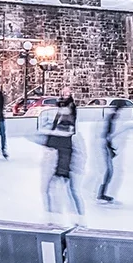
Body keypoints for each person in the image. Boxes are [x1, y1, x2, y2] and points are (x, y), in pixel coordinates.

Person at [43, 87, 83, 221]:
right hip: (60, 162)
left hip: (64, 165)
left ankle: (75, 219)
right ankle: (66, 218)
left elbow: (67, 147)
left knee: (68, 192)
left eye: (67, 93)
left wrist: (63, 170)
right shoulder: (61, 108)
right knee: (59, 191)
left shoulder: (69, 110)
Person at [98, 99, 125, 203]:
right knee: (109, 172)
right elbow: (107, 134)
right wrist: (110, 147)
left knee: (109, 172)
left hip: (107, 145)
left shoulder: (113, 116)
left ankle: (102, 193)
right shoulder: (112, 117)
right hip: (106, 146)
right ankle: (101, 193)